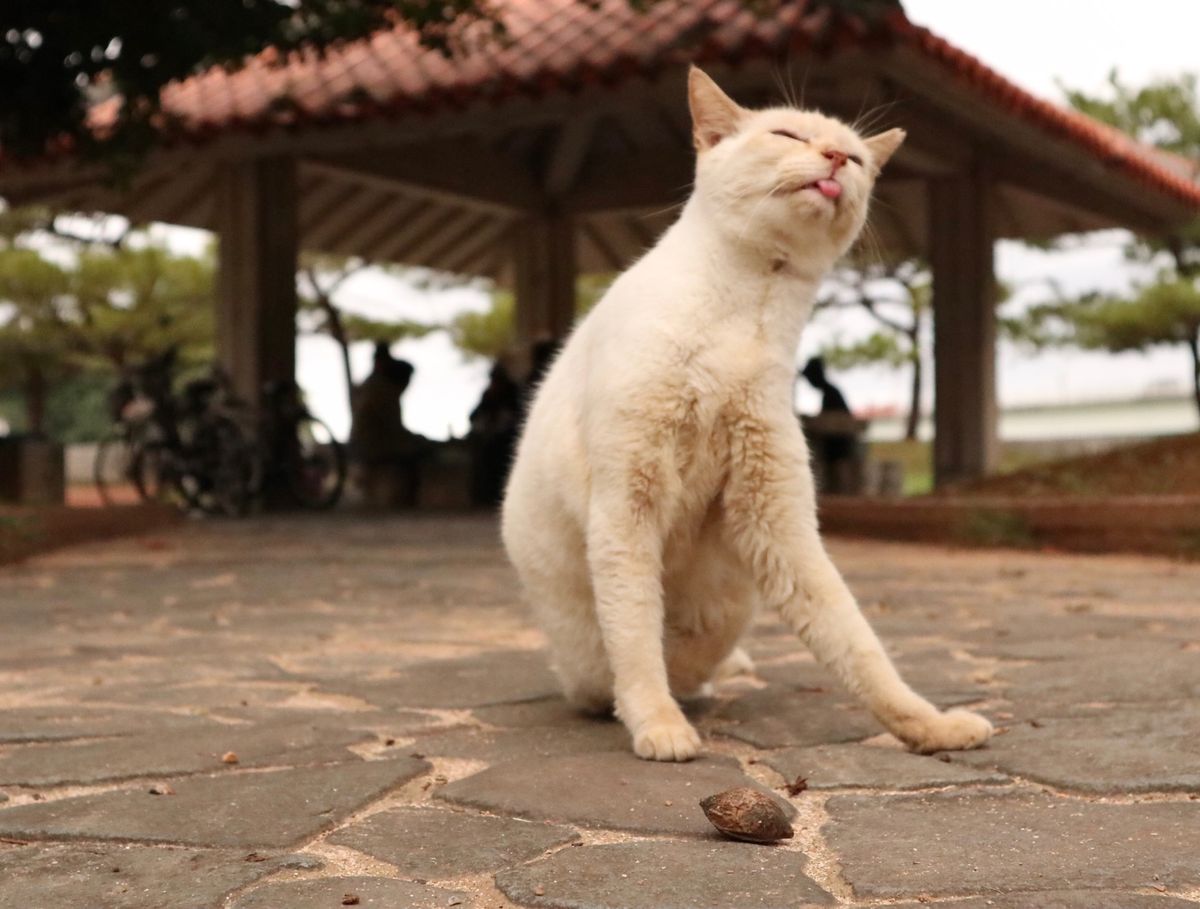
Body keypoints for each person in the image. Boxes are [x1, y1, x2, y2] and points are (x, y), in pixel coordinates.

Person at [349, 342, 422, 506]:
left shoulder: (371, 385)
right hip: (373, 446)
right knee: (415, 454)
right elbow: (394, 429)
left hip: (364, 444)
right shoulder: (384, 392)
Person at [468, 362, 521, 506]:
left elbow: (517, 418)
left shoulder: (511, 394)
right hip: (490, 439)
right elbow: (474, 416)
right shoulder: (488, 395)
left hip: (508, 440)